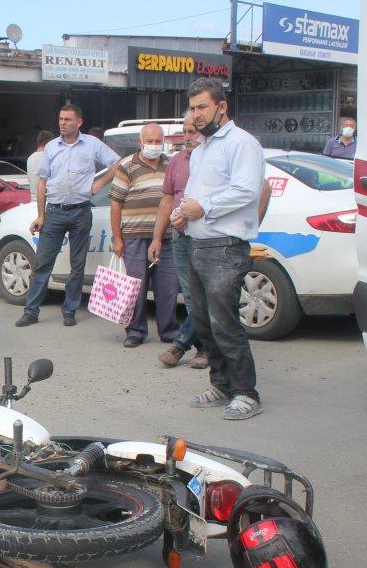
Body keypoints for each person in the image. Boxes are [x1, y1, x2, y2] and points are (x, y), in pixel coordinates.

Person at [171, 77, 266, 421]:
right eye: (192, 108)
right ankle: (221, 384)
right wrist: (184, 215)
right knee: (203, 323)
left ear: (221, 107)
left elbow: (246, 191)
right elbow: (193, 197)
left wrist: (203, 207)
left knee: (224, 323)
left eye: (202, 107)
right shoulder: (202, 149)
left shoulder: (242, 144)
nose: (195, 115)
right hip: (196, 243)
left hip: (225, 248)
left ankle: (246, 393)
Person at [16, 105, 119, 327]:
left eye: (68, 119)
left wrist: (100, 182)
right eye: (61, 119)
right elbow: (42, 182)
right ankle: (31, 311)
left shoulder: (92, 145)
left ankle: (69, 310)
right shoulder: (52, 147)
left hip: (81, 211)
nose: (63, 123)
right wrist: (40, 215)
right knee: (42, 263)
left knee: (77, 264)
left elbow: (117, 162)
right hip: (54, 212)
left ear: (79, 122)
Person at [110, 123, 179, 348]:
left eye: (158, 141)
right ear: (141, 142)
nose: (154, 145)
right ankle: (136, 331)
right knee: (136, 286)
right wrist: (117, 238)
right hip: (135, 236)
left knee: (167, 286)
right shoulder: (127, 165)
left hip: (167, 236)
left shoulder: (171, 164)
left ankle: (169, 331)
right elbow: (115, 205)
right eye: (149, 141)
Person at [151, 116, 207, 370]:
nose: (187, 137)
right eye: (184, 132)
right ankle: (204, 348)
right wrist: (157, 237)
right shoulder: (177, 161)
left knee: (204, 296)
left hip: (206, 237)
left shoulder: (212, 160)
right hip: (180, 237)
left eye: (193, 132)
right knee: (193, 297)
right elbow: (167, 201)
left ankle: (182, 344)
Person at [26, 130, 54, 202]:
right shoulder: (49, 157)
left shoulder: (30, 158)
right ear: (50, 143)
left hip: (33, 202)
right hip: (47, 202)